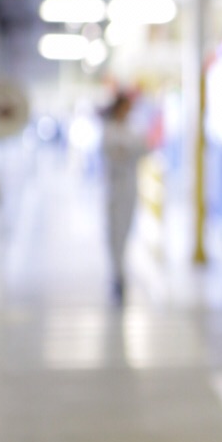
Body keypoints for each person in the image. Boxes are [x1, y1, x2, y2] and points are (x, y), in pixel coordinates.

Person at [99, 91, 144, 302]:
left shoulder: (132, 130)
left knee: (126, 231)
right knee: (114, 234)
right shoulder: (109, 131)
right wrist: (126, 151)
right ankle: (117, 274)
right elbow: (114, 153)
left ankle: (121, 271)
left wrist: (126, 151)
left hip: (130, 187)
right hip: (114, 189)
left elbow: (142, 149)